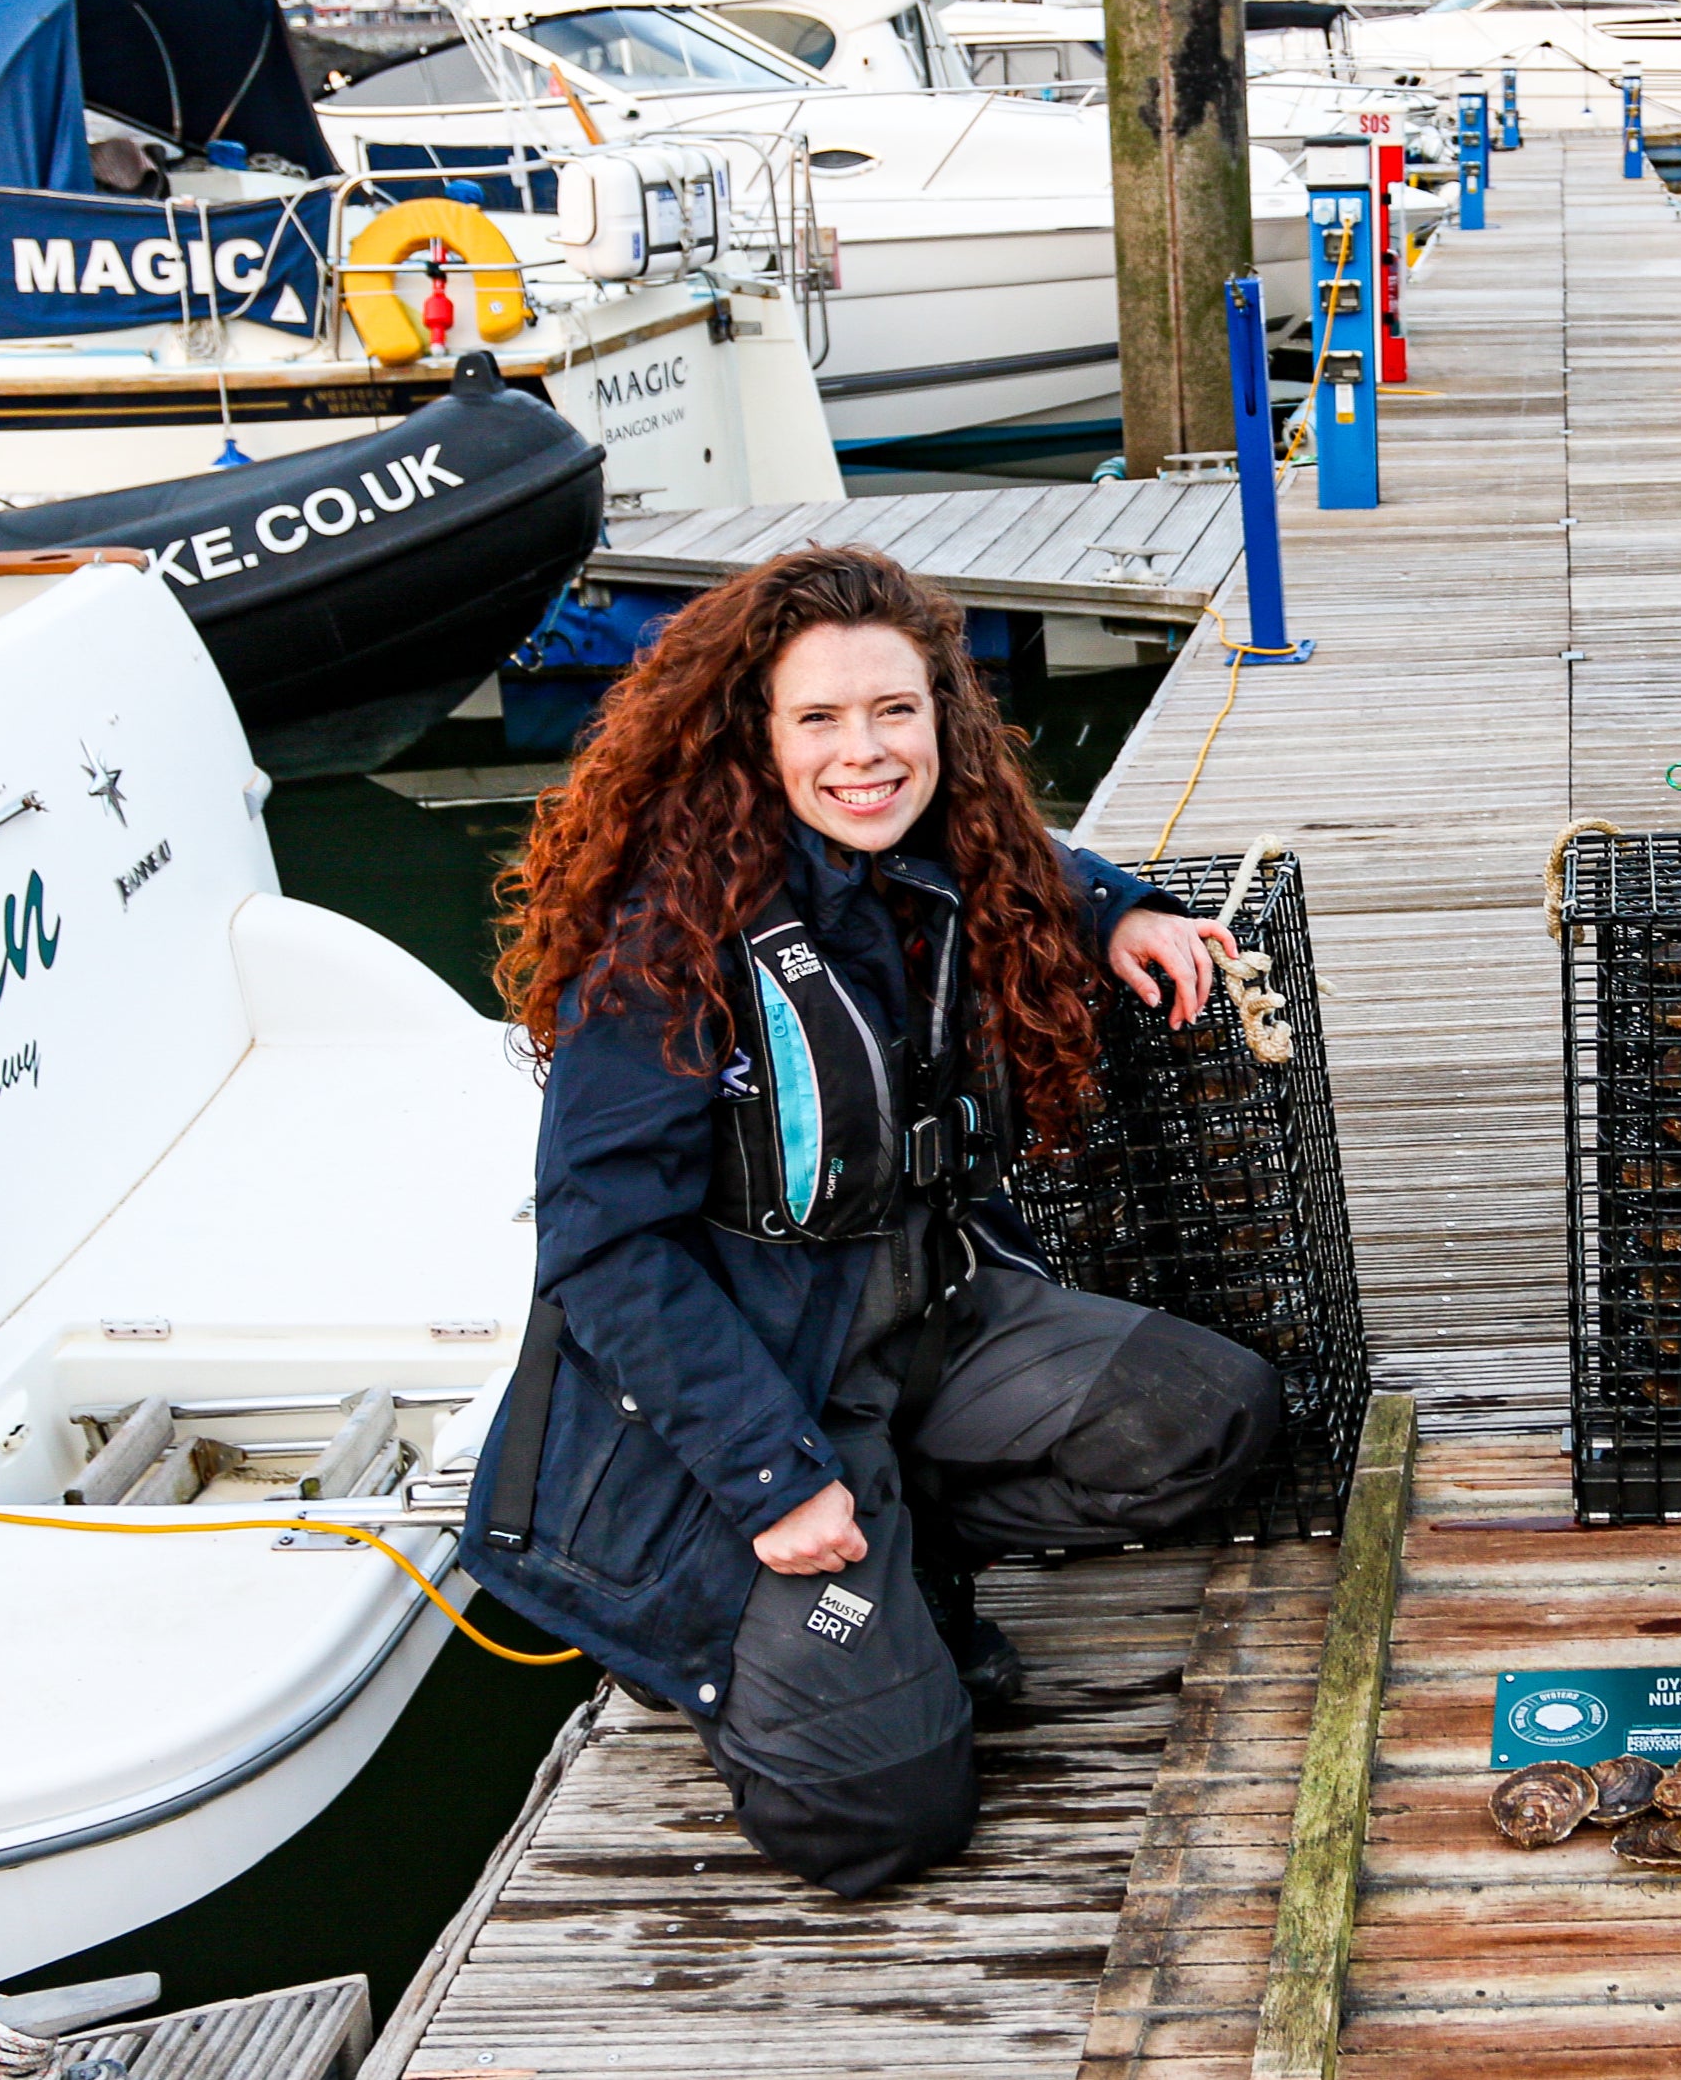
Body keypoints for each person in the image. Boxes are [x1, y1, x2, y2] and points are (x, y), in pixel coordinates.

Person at [464, 545, 1282, 1898]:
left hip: (929, 1321)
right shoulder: (663, 937)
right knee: (881, 1817)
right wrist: (774, 1480)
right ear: (754, 734)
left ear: (942, 720)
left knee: (1213, 1417)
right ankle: (732, 1614)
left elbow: (1030, 861)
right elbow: (604, 1250)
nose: (867, 752)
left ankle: (899, 1545)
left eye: (896, 711)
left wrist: (1121, 908)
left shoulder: (945, 845)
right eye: (821, 719)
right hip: (756, 1387)